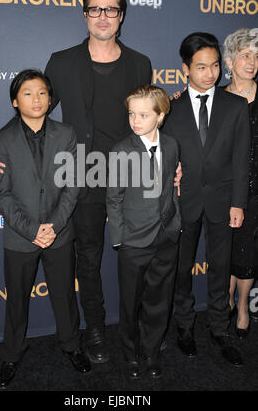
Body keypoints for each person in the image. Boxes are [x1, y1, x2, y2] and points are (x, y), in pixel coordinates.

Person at [0, 0, 156, 364]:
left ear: (121, 15)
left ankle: (139, 327)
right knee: (90, 259)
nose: (103, 16)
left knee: (138, 256)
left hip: (131, 175)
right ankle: (94, 329)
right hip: (82, 178)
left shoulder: (140, 63)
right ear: (84, 14)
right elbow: (34, 112)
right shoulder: (61, 62)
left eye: (111, 8)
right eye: (95, 8)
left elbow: (151, 119)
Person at [0, 69, 90, 390]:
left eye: (42, 93)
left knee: (64, 296)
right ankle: (11, 354)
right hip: (20, 237)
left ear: (50, 99)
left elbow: (72, 184)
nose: (36, 99)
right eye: (28, 93)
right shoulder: (2, 140)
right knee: (17, 299)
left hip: (59, 232)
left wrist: (55, 225)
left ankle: (72, 345)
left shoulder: (66, 134)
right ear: (14, 101)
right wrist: (32, 230)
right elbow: (3, 195)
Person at [162, 32, 250, 367]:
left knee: (220, 269)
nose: (210, 73)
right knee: (182, 269)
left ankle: (219, 329)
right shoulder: (170, 109)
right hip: (183, 202)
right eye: (201, 67)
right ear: (185, 68)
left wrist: (238, 203)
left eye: (214, 65)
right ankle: (185, 327)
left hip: (223, 201)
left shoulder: (236, 106)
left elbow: (241, 159)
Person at [106, 85, 181, 379]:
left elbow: (171, 187)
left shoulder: (173, 145)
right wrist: (121, 239)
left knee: (159, 300)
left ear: (160, 115)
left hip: (166, 236)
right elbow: (114, 197)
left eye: (143, 114)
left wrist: (175, 221)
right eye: (131, 114)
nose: (135, 120)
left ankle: (152, 350)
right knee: (130, 302)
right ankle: (130, 352)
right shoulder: (122, 150)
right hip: (134, 241)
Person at [223, 28, 258, 337]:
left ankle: (243, 304)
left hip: (256, 191)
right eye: (246, 55)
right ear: (230, 60)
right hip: (223, 189)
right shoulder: (217, 98)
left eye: (257, 56)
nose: (252, 61)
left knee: (247, 251)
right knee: (225, 249)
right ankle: (225, 301)